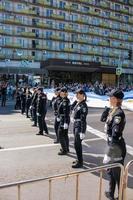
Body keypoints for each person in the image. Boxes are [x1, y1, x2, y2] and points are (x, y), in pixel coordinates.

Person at [100, 89, 126, 200]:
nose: (109, 99)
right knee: (111, 171)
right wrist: (106, 111)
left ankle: (120, 197)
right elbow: (102, 120)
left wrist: (109, 153)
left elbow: (115, 135)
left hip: (116, 147)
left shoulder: (118, 114)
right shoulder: (113, 110)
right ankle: (111, 193)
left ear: (115, 99)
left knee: (117, 174)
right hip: (111, 144)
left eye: (111, 97)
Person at [71, 89, 88, 168]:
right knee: (76, 144)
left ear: (82, 95)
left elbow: (83, 119)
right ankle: (79, 159)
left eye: (78, 94)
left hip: (79, 126)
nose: (76, 95)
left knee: (77, 144)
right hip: (76, 124)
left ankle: (80, 162)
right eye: (76, 94)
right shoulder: (78, 103)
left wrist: (82, 131)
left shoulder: (83, 105)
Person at [58, 87, 70, 155]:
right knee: (65, 135)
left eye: (61, 92)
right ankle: (66, 148)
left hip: (64, 119)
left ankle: (64, 150)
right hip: (64, 119)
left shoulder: (65, 101)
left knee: (61, 134)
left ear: (64, 93)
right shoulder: (64, 100)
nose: (60, 93)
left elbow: (66, 112)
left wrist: (65, 122)